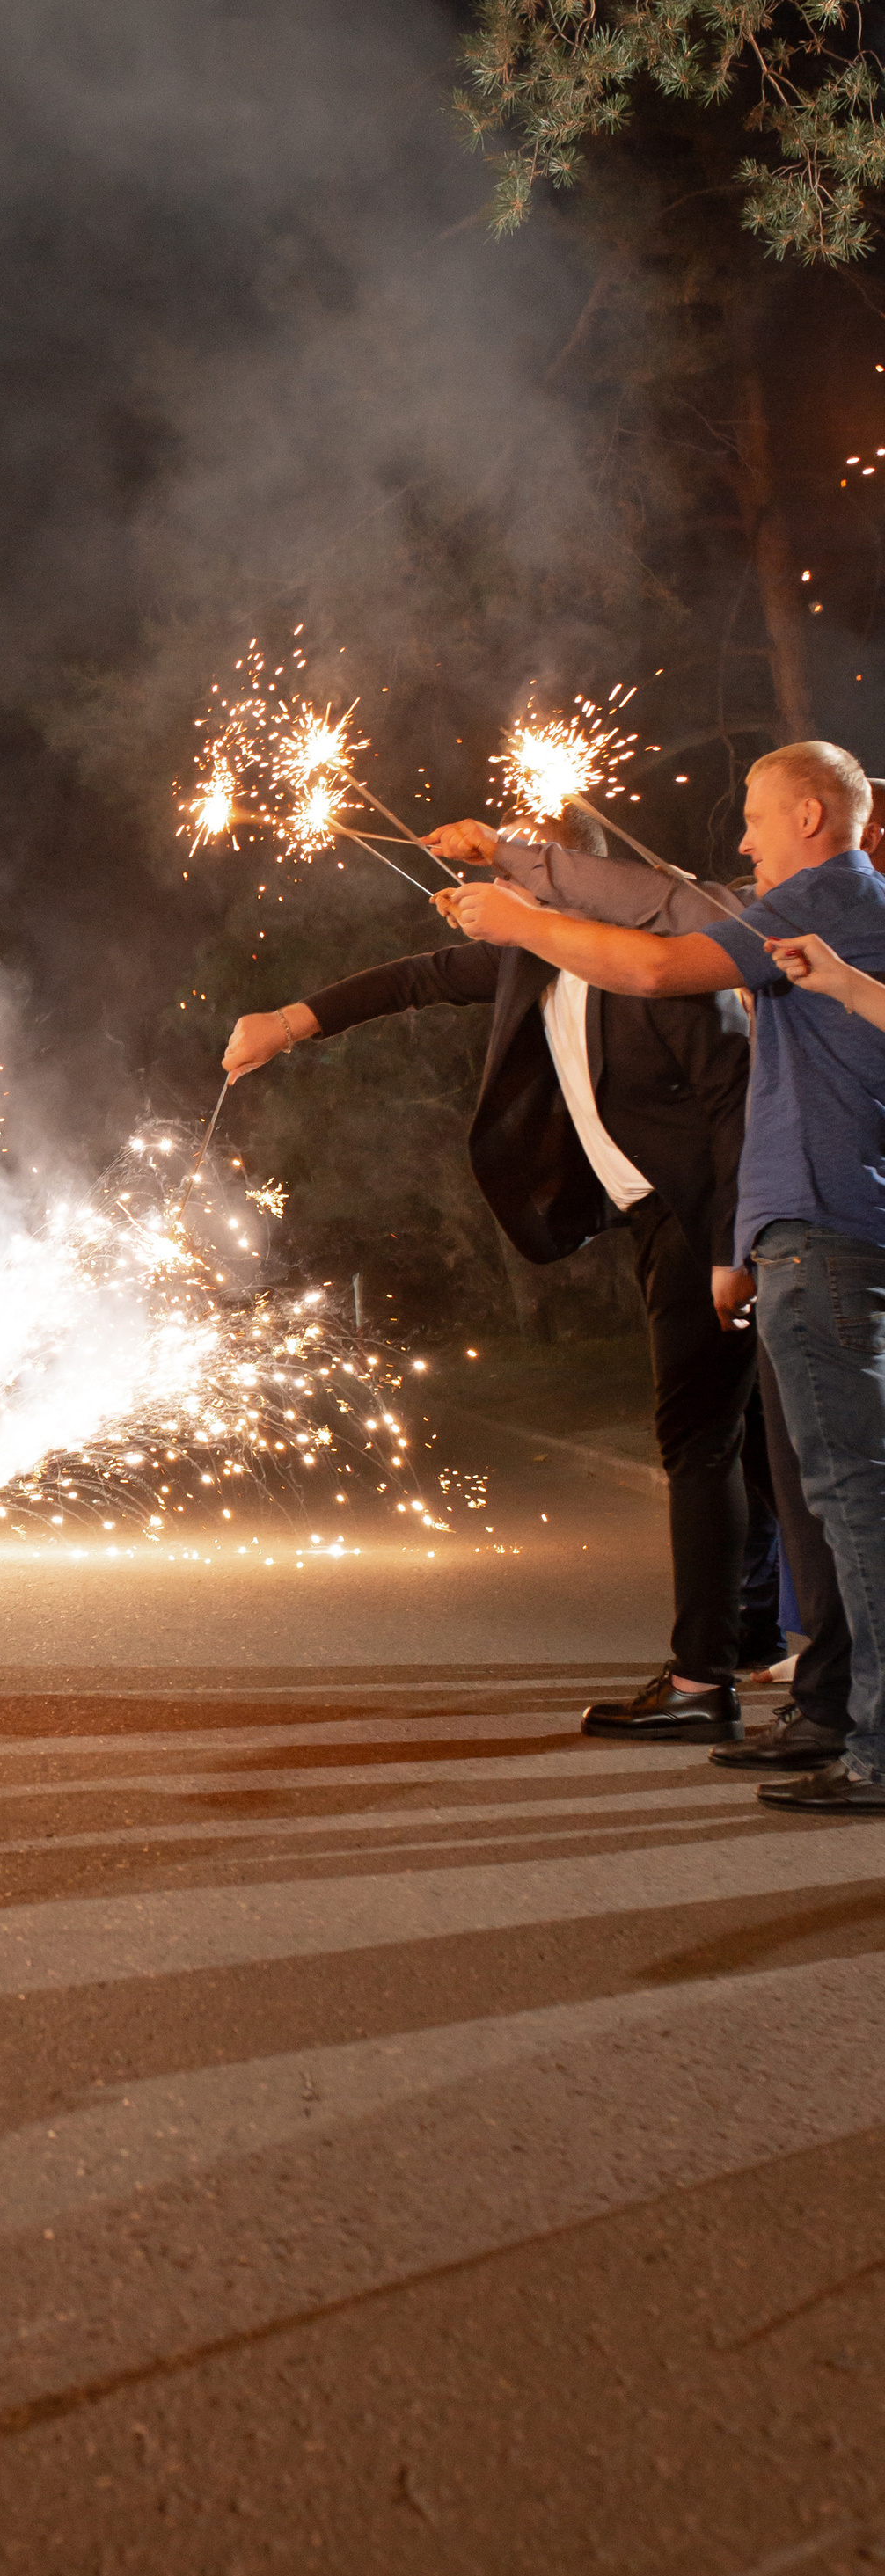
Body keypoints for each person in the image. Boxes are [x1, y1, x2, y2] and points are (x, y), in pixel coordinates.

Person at [222, 806, 762, 1741]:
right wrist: (286, 1021)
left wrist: (729, 1251)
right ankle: (749, 1640)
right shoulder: (527, 959)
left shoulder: (654, 961)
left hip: (703, 1213)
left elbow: (730, 1107)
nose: (488, 893)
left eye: (515, 872)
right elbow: (416, 978)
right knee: (743, 1438)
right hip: (651, 1218)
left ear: (567, 882)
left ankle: (702, 1682)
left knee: (702, 1439)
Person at [441, 740, 885, 1812]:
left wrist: (517, 915)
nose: (740, 838)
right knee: (825, 1491)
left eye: (755, 817)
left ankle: (876, 1745)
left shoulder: (830, 900)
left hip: (822, 1232)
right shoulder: (808, 905)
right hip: (800, 1235)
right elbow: (657, 902)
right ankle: (831, 1715)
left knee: (850, 1497)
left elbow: (649, 959)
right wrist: (515, 853)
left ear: (814, 818)